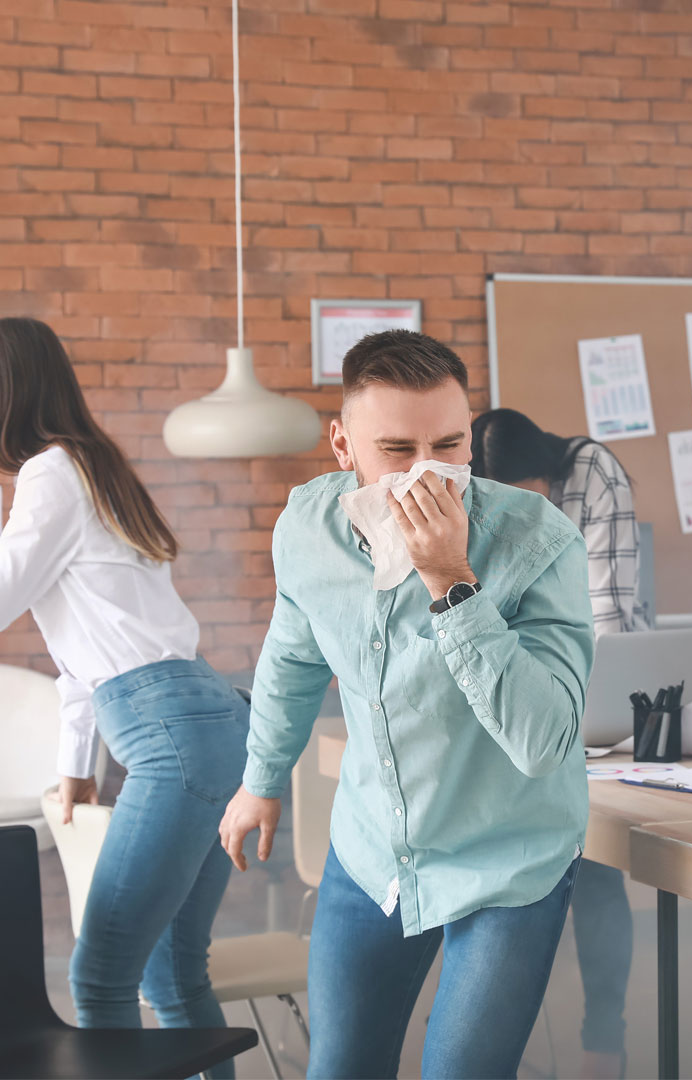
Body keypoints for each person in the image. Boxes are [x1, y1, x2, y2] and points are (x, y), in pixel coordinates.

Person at [218, 331, 594, 1080]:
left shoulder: (539, 541)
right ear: (342, 444)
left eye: (449, 446)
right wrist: (261, 781)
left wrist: (452, 581)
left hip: (506, 860)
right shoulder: (307, 529)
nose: (427, 473)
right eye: (396, 449)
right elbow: (293, 659)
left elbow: (545, 740)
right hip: (372, 852)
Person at [0, 318, 248, 1076]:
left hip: (171, 727)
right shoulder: (92, 465)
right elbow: (83, 654)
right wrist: (78, 766)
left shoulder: (49, 473)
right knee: (172, 976)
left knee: (99, 974)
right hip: (211, 716)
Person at [471, 407, 647, 1079]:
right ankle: (484, 1043)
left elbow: (607, 610)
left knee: (595, 862)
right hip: (503, 694)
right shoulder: (472, 493)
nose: (518, 510)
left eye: (527, 493)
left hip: (589, 684)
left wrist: (572, 713)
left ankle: (604, 1041)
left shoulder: (592, 472)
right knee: (498, 872)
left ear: (547, 469)